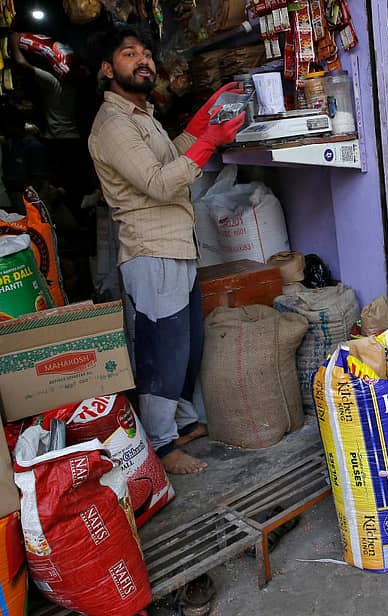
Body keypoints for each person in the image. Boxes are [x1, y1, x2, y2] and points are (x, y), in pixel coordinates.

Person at [88, 27, 244, 474]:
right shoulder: (113, 124)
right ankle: (160, 447)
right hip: (151, 251)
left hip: (176, 246)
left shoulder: (141, 114)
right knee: (163, 351)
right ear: (107, 68)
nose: (143, 60)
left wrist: (198, 125)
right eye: (128, 53)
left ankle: (178, 426)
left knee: (188, 345)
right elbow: (158, 183)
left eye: (146, 53)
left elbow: (168, 157)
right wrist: (210, 140)